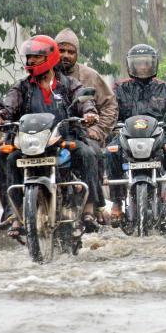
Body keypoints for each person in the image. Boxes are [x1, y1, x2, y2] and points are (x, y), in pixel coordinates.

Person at [0, 35, 100, 237]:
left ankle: (89, 209)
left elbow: (84, 100)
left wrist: (89, 113)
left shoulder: (68, 84)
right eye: (29, 57)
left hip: (63, 140)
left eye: (36, 57)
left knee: (88, 153)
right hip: (30, 142)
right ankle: (13, 212)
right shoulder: (22, 86)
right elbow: (8, 104)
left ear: (50, 57)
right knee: (6, 156)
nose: (31, 61)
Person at [106, 44, 166, 226]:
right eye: (138, 63)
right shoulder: (119, 88)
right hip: (126, 135)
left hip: (160, 134)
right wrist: (106, 122)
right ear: (130, 65)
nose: (142, 67)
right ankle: (117, 202)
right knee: (110, 152)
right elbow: (108, 109)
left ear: (154, 64)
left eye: (146, 63)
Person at [54, 28, 119, 223]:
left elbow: (109, 105)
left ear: (77, 54)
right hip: (47, 136)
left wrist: (97, 130)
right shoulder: (44, 75)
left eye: (70, 51)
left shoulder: (89, 76)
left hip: (82, 134)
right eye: (61, 50)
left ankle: (93, 204)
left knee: (93, 153)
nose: (65, 55)